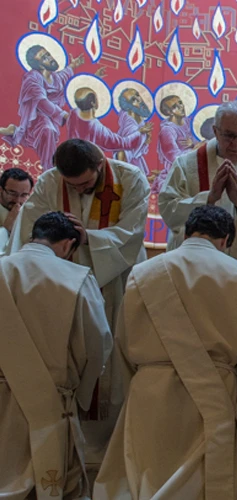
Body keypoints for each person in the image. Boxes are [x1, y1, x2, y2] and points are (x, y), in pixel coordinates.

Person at [93, 205, 237, 500]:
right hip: (216, 391)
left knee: (150, 476)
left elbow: (122, 342)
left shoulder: (141, 273)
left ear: (186, 233)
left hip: (150, 393)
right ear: (227, 240)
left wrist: (134, 388)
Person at [8, 139, 148, 425]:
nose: (77, 190)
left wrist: (89, 239)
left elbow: (132, 233)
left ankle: (108, 431)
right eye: (71, 186)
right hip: (60, 289)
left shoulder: (130, 178)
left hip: (114, 282)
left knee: (112, 356)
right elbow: (31, 232)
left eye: (84, 184)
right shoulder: (50, 182)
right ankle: (67, 423)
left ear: (100, 165)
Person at [159, 100, 237, 412]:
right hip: (192, 273)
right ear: (214, 130)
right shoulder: (188, 166)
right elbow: (169, 211)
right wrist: (210, 197)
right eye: (229, 136)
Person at [0, 212, 111, 500]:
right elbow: (97, 342)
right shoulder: (76, 278)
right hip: (53, 400)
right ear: (68, 245)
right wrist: (79, 394)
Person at [0, 49, 85, 171]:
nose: (50, 58)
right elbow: (40, 101)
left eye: (48, 54)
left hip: (51, 117)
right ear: (38, 65)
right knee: (47, 130)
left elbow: (64, 75)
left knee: (40, 137)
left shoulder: (55, 77)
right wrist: (63, 115)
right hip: (36, 114)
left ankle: (15, 131)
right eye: (44, 58)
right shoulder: (32, 78)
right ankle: (48, 170)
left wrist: (74, 65)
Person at [66, 88, 148, 157]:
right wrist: (139, 132)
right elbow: (123, 143)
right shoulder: (97, 128)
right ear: (93, 103)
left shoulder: (74, 114)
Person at [153, 94, 198, 194]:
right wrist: (195, 149)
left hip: (192, 169)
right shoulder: (167, 130)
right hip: (176, 172)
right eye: (174, 106)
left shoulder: (189, 122)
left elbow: (199, 140)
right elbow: (174, 157)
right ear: (168, 112)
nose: (180, 107)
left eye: (180, 103)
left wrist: (194, 144)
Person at [115, 88, 153, 176]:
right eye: (133, 100)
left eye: (137, 95)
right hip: (128, 165)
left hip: (136, 162)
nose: (139, 100)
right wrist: (140, 132)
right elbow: (122, 148)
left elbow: (140, 147)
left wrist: (146, 137)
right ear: (128, 106)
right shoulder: (129, 123)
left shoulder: (139, 117)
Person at [0, 168, 34, 253]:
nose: (18, 200)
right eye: (12, 193)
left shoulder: (31, 213)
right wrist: (6, 229)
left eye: (24, 195)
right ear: (1, 190)